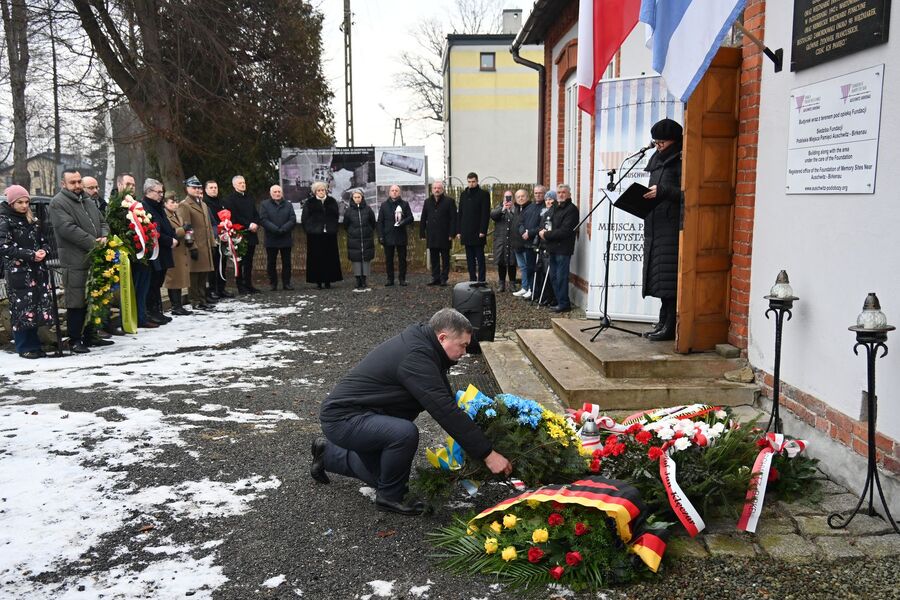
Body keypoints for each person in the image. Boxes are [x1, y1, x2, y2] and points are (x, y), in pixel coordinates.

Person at [312, 308, 513, 516]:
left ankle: (327, 454)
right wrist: (488, 454)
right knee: (403, 434)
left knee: (382, 475)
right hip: (344, 419)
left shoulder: (426, 346)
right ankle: (390, 497)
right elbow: (444, 410)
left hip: (364, 415)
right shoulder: (417, 357)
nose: (464, 352)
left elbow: (444, 399)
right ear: (443, 338)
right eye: (463, 345)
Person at [49, 170, 114, 353]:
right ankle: (75, 340)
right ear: (64, 184)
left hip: (95, 256)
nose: (77, 185)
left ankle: (91, 335)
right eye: (72, 182)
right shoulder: (58, 203)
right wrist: (94, 243)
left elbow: (103, 223)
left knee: (94, 296)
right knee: (76, 301)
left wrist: (104, 237)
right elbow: (67, 229)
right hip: (75, 260)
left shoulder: (87, 200)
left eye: (79, 181)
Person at [642, 118, 683, 341]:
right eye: (655, 143)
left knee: (669, 281)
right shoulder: (657, 161)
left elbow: (690, 193)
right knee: (658, 279)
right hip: (655, 227)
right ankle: (662, 321)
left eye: (662, 143)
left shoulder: (682, 160)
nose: (658, 147)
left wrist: (664, 191)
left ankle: (670, 326)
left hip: (672, 229)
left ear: (675, 141)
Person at [0, 185, 54, 358]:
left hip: (37, 271)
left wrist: (44, 251)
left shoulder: (33, 220)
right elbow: (4, 246)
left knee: (36, 307)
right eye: (20, 202)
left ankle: (35, 344)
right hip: (19, 273)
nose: (24, 206)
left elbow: (45, 241)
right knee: (22, 309)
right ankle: (24, 347)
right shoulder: (5, 220)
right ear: (11, 203)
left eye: (26, 202)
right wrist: (30, 255)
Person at [177, 176, 217, 310]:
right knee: (194, 275)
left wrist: (212, 243)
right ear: (187, 188)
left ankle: (202, 298)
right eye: (194, 187)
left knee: (203, 274)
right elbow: (186, 226)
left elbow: (208, 226)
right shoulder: (184, 205)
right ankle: (195, 300)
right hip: (195, 245)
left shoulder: (203, 204)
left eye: (198, 187)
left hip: (205, 245)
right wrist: (191, 245)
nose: (197, 190)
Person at [539, 184, 578, 313]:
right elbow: (546, 220)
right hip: (552, 248)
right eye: (559, 192)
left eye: (563, 192)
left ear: (569, 194)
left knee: (561, 277)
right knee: (553, 277)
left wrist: (546, 234)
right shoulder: (555, 207)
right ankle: (559, 300)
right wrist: (542, 230)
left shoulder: (571, 210)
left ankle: (564, 303)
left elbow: (565, 231)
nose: (561, 194)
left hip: (563, 249)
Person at [141, 178, 175, 325]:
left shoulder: (158, 206)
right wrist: (169, 240)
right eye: (158, 192)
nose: (161, 195)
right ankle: (152, 312)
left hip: (164, 250)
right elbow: (153, 230)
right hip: (156, 252)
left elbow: (164, 224)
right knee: (153, 284)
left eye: (162, 191)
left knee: (158, 283)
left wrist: (173, 235)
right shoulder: (145, 207)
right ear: (149, 192)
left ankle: (158, 311)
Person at [302, 181, 342, 289]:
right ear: (315, 192)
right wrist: (310, 229)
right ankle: (318, 281)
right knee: (316, 259)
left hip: (329, 234)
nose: (321, 192)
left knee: (330, 258)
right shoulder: (309, 203)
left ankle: (328, 280)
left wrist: (333, 227)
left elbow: (336, 216)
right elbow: (305, 218)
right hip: (315, 235)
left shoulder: (331, 201)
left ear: (326, 190)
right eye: (318, 190)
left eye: (322, 190)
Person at [225, 175, 260, 294]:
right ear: (234, 185)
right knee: (240, 261)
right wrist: (248, 225)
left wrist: (255, 223)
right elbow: (234, 216)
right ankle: (240, 285)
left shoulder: (249, 198)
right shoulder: (230, 200)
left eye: (244, 182)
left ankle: (249, 284)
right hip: (240, 234)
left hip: (252, 233)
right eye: (240, 183)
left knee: (249, 261)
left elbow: (255, 213)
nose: (243, 185)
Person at [259, 184, 297, 291]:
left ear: (282, 193)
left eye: (279, 192)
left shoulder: (288, 205)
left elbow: (292, 219)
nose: (277, 194)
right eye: (275, 192)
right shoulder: (264, 204)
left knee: (287, 262)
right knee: (271, 262)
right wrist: (275, 229)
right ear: (271, 193)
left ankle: (286, 283)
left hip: (285, 237)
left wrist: (284, 229)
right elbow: (263, 219)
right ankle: (273, 283)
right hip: (271, 237)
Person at [419, 180, 456, 287]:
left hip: (445, 235)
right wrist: (422, 232)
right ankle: (435, 278)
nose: (437, 190)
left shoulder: (449, 201)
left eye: (439, 188)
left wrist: (452, 233)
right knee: (434, 258)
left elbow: (453, 219)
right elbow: (423, 218)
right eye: (435, 188)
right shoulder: (427, 202)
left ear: (442, 189)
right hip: (432, 235)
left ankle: (444, 278)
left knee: (445, 258)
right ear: (432, 190)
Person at [456, 172, 490, 284]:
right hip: (466, 231)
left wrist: (483, 230)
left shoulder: (483, 194)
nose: (471, 184)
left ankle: (481, 280)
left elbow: (485, 214)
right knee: (469, 258)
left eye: (473, 181)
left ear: (477, 181)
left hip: (478, 232)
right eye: (469, 182)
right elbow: (460, 213)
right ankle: (472, 279)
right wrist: (459, 230)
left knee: (480, 258)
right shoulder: (463, 194)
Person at [377, 184, 413, 287]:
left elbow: (411, 218)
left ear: (399, 192)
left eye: (396, 190)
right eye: (392, 190)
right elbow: (380, 222)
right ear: (389, 192)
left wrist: (403, 222)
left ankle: (402, 279)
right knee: (389, 259)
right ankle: (390, 279)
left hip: (401, 235)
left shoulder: (405, 204)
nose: (394, 192)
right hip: (388, 236)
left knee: (402, 259)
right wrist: (381, 236)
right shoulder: (384, 205)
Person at [203, 180, 233, 299]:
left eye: (215, 187)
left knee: (223, 262)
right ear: (206, 190)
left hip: (224, 236)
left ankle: (221, 288)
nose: (214, 189)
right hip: (213, 236)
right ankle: (212, 289)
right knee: (213, 264)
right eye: (211, 187)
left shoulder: (222, 202)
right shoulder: (205, 203)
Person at [163, 192, 192, 316]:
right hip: (172, 251)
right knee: (173, 279)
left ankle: (178, 305)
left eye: (176, 202)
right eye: (172, 202)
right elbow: (171, 232)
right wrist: (183, 229)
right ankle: (175, 305)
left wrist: (189, 236)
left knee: (179, 279)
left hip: (181, 250)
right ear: (165, 204)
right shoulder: (165, 216)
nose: (175, 205)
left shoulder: (177, 215)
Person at [343, 189, 376, 292]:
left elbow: (373, 222)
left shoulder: (368, 209)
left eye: (359, 197)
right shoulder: (348, 211)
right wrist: (352, 232)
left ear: (362, 198)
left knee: (366, 260)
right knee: (356, 259)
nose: (357, 199)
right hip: (354, 239)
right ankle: (358, 280)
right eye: (355, 197)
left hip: (366, 238)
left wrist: (368, 230)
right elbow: (346, 224)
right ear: (352, 198)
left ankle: (364, 280)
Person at [532, 190, 557, 306]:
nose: (548, 201)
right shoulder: (544, 213)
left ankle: (551, 297)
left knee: (549, 274)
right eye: (547, 199)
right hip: (542, 245)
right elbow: (540, 227)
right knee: (542, 272)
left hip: (548, 245)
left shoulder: (553, 213)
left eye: (551, 199)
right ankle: (544, 296)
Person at [513, 188, 539, 299]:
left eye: (522, 196)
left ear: (527, 197)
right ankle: (524, 287)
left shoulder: (531, 208)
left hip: (526, 243)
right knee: (522, 267)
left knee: (529, 267)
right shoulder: (516, 209)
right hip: (517, 243)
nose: (520, 198)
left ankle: (530, 288)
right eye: (518, 197)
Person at [490, 190, 518, 292]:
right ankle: (501, 284)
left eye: (510, 197)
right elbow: (493, 215)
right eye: (506, 197)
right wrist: (503, 209)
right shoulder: (499, 207)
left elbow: (518, 219)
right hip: (501, 240)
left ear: (513, 198)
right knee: (501, 262)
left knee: (512, 262)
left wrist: (511, 210)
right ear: (503, 198)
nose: (508, 199)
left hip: (512, 240)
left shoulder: (516, 208)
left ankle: (512, 284)